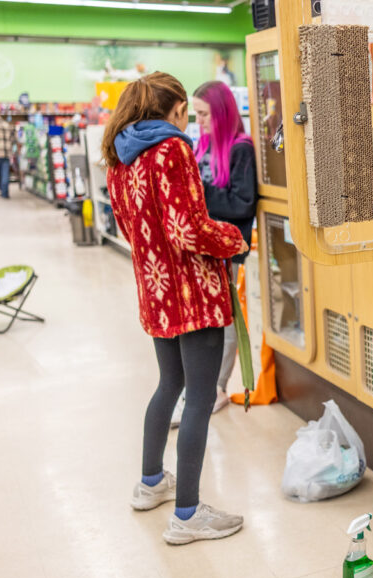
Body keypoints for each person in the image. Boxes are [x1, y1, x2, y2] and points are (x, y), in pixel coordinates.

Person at [102, 71, 249, 545]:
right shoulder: (173, 149)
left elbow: (132, 231)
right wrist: (232, 238)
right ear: (178, 108)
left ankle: (150, 484)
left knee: (169, 384)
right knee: (201, 400)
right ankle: (187, 513)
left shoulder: (119, 159)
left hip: (155, 290)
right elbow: (189, 229)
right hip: (193, 291)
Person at [168, 80, 256, 427]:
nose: (199, 120)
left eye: (204, 114)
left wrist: (200, 192)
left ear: (220, 113)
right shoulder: (202, 146)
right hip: (203, 249)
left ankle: (217, 387)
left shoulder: (240, 149)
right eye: (196, 114)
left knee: (226, 319)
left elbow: (242, 204)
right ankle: (201, 385)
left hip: (228, 251)